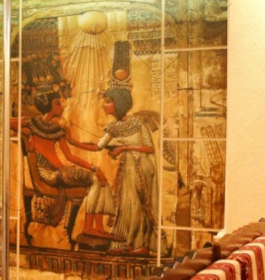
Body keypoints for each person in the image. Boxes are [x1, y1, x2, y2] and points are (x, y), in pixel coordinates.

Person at [16, 92, 119, 239]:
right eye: (57, 103)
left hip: (59, 172)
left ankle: (98, 227)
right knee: (96, 179)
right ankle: (90, 228)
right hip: (50, 174)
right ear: (48, 105)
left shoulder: (57, 129)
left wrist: (93, 168)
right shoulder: (32, 123)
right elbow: (8, 122)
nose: (62, 107)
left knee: (99, 179)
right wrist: (27, 133)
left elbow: (70, 157)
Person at [73, 87, 158, 255]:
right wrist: (73, 142)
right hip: (128, 168)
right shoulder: (113, 127)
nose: (103, 105)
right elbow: (97, 146)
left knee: (138, 205)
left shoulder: (138, 122)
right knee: (127, 205)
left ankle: (142, 246)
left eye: (107, 102)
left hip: (143, 167)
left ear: (118, 103)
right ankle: (129, 243)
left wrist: (124, 148)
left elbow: (149, 148)